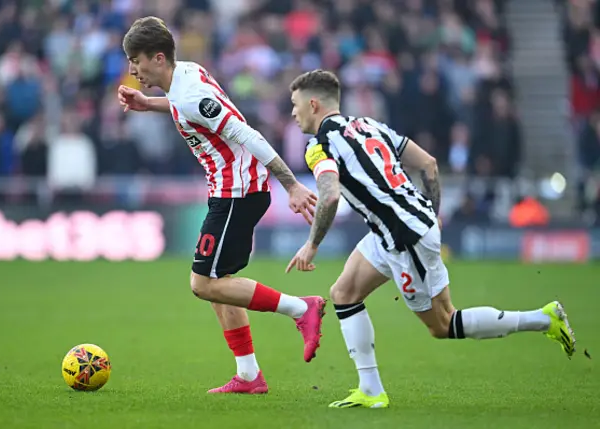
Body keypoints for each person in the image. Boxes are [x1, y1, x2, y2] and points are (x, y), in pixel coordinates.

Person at [285, 70, 576, 409]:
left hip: (405, 237)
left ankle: (543, 319)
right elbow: (429, 164)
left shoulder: (319, 146)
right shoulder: (369, 125)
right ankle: (371, 390)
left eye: (295, 105)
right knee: (343, 294)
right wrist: (431, 213)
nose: (293, 113)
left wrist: (312, 245)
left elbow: (330, 195)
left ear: (314, 104)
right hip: (396, 229)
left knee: (443, 323)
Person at [118, 17, 326, 394]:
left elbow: (246, 132)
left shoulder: (190, 93)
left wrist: (292, 184)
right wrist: (150, 104)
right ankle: (248, 376)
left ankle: (302, 308)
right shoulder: (185, 76)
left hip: (238, 191)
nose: (133, 69)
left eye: (137, 60)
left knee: (202, 284)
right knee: (219, 283)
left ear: (159, 57)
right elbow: (187, 109)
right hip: (228, 190)